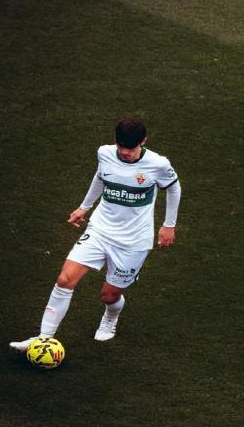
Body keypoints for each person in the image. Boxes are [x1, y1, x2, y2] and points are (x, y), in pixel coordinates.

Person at [10, 118, 181, 349]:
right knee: (64, 279)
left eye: (130, 148)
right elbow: (101, 177)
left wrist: (169, 224)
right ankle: (43, 339)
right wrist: (84, 207)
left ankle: (110, 317)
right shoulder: (105, 153)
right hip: (100, 230)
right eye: (120, 146)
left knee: (109, 296)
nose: (124, 152)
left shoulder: (158, 164)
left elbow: (174, 188)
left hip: (133, 241)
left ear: (143, 142)